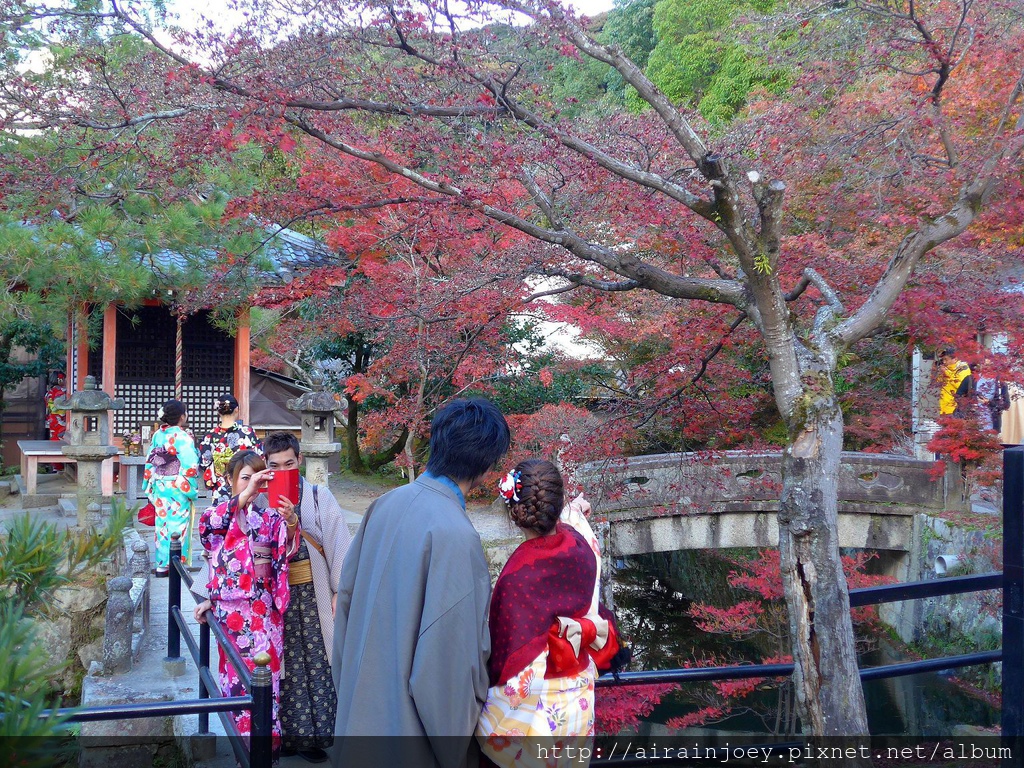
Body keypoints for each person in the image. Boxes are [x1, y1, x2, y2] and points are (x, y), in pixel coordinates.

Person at [331, 398, 511, 768]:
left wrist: (349, 694)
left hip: (357, 723)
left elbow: (345, 605)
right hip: (408, 743)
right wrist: (457, 751)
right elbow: (448, 667)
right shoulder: (457, 536)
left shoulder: (384, 505)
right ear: (487, 464)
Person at [476, 460, 622, 768]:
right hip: (578, 701)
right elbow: (572, 524)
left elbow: (506, 656)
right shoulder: (582, 545)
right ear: (557, 506)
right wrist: (575, 509)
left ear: (515, 514)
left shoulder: (517, 576)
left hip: (537, 710)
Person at [194, 450, 298, 757]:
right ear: (229, 480)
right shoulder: (220, 513)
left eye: (259, 477)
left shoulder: (269, 517)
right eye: (245, 478)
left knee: (269, 686)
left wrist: (291, 521)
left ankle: (267, 752)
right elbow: (208, 534)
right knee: (238, 682)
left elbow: (284, 550)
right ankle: (244, 753)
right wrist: (209, 600)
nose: (254, 484)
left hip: (265, 612)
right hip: (232, 613)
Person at [261, 431, 352, 763]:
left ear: (298, 460)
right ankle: (281, 736)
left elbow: (338, 543)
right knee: (278, 665)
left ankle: (313, 738)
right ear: (265, 465)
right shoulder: (257, 497)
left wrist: (339, 589)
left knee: (315, 664)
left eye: (288, 462)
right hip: (273, 596)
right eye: (274, 465)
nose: (282, 469)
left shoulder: (318, 496)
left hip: (313, 591)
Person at [142, 399, 200, 576]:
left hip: (160, 483)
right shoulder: (183, 437)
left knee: (162, 525)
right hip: (177, 486)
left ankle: (161, 565)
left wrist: (149, 484)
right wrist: (190, 488)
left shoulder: (158, 435)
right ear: (182, 417)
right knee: (178, 524)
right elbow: (190, 464)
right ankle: (176, 565)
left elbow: (151, 459)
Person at [198, 394, 262, 508]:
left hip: (220, 485)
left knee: (222, 517)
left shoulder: (210, 436)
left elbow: (203, 463)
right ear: (237, 410)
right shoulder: (247, 432)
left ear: (218, 412)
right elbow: (259, 457)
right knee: (246, 516)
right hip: (245, 482)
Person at [936, 348, 973, 417]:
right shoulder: (946, 368)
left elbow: (960, 386)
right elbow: (939, 382)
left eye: (946, 359)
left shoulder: (963, 368)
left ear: (955, 359)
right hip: (944, 408)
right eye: (943, 360)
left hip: (955, 408)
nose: (944, 362)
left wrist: (946, 372)